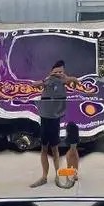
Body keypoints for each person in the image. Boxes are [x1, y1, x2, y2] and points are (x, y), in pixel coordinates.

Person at [30, 60, 78, 188]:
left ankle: (57, 177)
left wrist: (67, 78)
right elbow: (34, 84)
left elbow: (75, 81)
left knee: (55, 149)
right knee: (44, 149)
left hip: (55, 119)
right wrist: (47, 79)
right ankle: (44, 177)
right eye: (57, 71)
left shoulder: (64, 81)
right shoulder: (47, 81)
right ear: (51, 72)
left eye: (61, 71)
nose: (59, 73)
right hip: (44, 119)